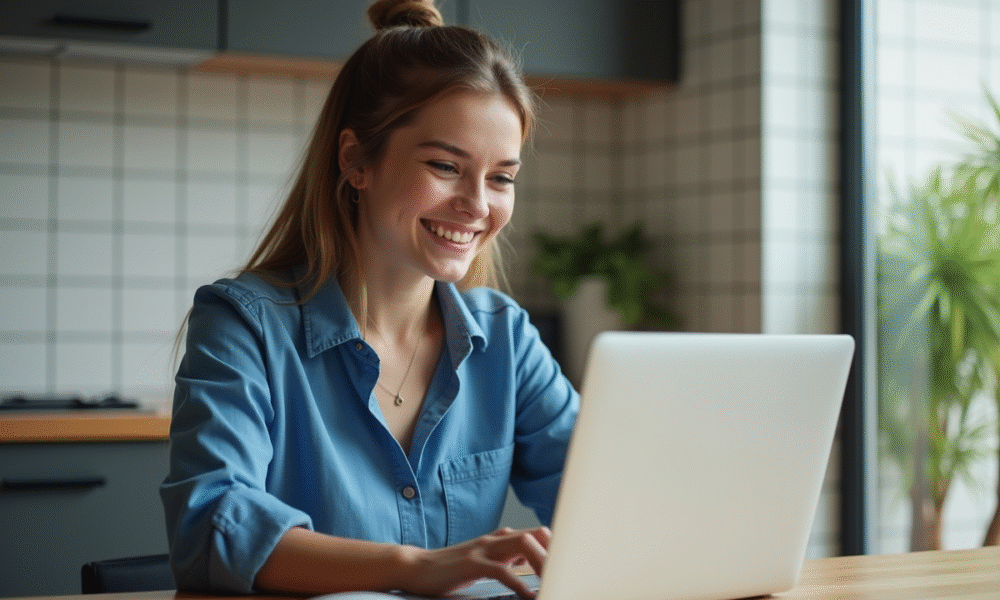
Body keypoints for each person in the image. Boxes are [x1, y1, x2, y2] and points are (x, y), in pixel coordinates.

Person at [159, 1, 579, 598]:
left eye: (501, 177)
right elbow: (209, 527)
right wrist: (415, 568)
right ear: (356, 159)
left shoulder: (505, 337)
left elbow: (605, 496)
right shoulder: (244, 324)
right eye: (445, 166)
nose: (478, 205)